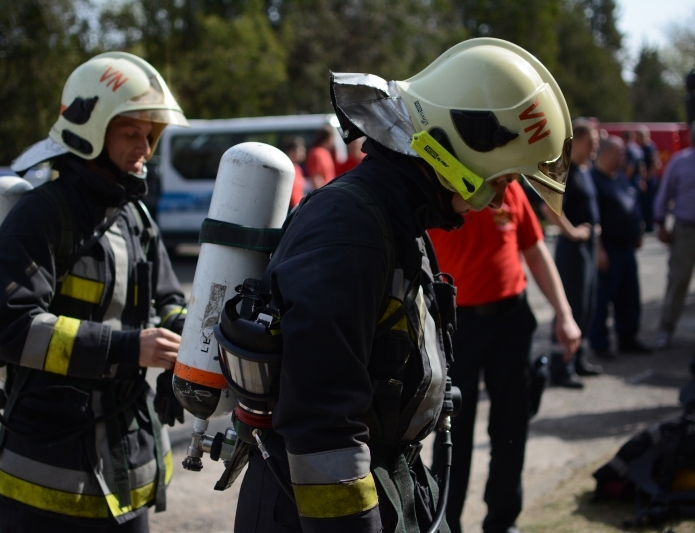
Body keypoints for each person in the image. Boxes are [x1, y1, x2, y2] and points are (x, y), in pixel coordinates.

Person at [232, 38, 573, 533]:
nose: (501, 199)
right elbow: (322, 428)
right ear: (461, 142)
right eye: (501, 179)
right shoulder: (351, 230)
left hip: (388, 484)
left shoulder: (397, 218)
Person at [0, 52, 190, 532]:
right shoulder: (41, 215)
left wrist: (182, 354)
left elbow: (169, 300)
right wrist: (128, 349)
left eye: (149, 134)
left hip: (125, 470)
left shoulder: (135, 217)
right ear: (91, 131)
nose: (145, 148)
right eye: (131, 133)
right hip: (48, 476)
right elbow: (14, 326)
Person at [429, 179, 581, 533]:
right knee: (452, 431)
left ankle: (503, 522)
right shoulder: (442, 187)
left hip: (511, 321)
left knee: (511, 427)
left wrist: (564, 314)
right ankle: (445, 524)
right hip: (455, 327)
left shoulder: (508, 187)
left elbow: (535, 249)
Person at [541, 119, 603, 388]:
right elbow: (549, 208)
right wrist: (573, 232)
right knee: (572, 305)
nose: (595, 147)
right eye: (590, 142)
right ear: (575, 141)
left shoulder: (586, 170)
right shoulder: (563, 170)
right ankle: (561, 366)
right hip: (572, 249)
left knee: (587, 305)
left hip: (588, 246)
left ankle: (578, 359)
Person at [589, 136, 651, 358]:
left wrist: (637, 232)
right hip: (609, 248)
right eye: (619, 154)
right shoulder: (593, 180)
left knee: (629, 296)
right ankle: (600, 343)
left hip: (627, 248)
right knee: (603, 298)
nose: (623, 158)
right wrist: (599, 250)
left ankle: (628, 338)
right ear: (606, 153)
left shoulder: (620, 178)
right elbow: (592, 218)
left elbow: (632, 204)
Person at [653, 122, 695, 350]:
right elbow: (664, 193)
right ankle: (665, 330)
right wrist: (660, 223)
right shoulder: (680, 161)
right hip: (686, 230)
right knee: (678, 281)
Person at [305, 124, 336, 188]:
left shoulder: (326, 152)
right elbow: (316, 178)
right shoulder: (317, 153)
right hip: (324, 192)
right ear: (328, 138)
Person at [282, 135, 307, 208]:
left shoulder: (298, 168)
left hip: (298, 208)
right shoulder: (286, 169)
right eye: (301, 150)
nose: (303, 154)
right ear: (292, 151)